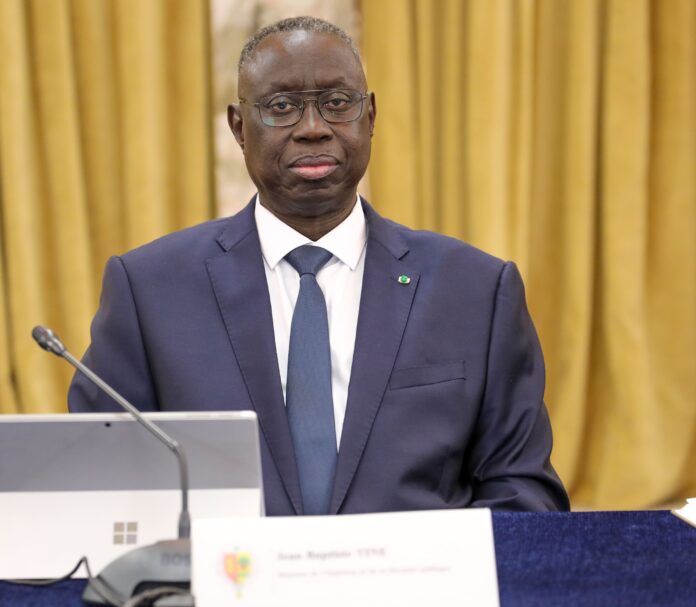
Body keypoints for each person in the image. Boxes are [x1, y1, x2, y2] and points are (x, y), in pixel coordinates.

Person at [69, 16, 569, 515]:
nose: (313, 129)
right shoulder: (150, 291)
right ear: (239, 128)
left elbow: (522, 491)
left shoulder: (475, 291)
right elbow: (95, 484)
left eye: (337, 103)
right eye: (281, 107)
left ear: (370, 117)